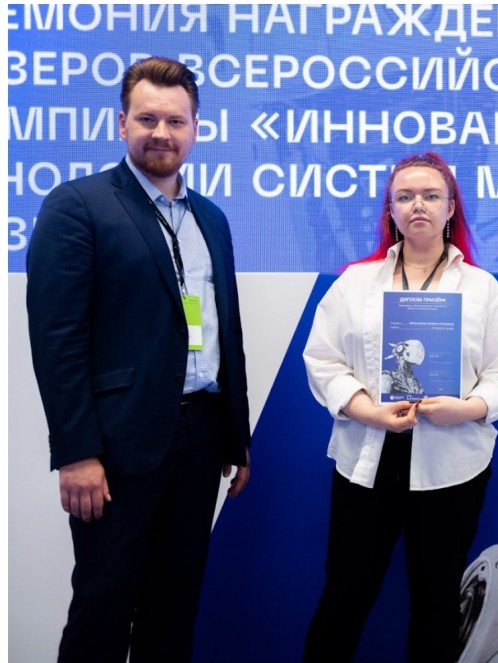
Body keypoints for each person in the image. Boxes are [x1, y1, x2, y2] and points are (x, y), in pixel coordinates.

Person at [25, 56, 252, 663]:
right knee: (102, 608)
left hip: (200, 439)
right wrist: (76, 451)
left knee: (174, 609)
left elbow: (224, 331)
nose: (161, 133)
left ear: (195, 128)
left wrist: (236, 438)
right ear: (122, 123)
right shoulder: (77, 205)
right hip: (115, 447)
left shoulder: (211, 219)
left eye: (175, 121)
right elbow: (57, 339)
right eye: (147, 119)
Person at [301, 151, 498, 662]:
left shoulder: (482, 289)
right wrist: (367, 410)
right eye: (404, 196)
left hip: (452, 466)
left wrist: (467, 408)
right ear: (390, 209)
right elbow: (322, 360)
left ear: (451, 208)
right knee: (343, 597)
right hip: (367, 459)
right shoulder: (355, 283)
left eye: (430, 195)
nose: (417, 205)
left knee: (437, 604)